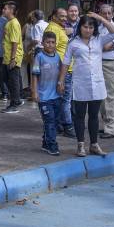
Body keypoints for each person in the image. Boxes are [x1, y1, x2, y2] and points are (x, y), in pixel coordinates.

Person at [58, 12, 114, 157]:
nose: (88, 30)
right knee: (79, 116)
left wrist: (99, 18)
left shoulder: (98, 40)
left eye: (91, 27)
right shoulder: (73, 43)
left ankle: (94, 145)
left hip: (97, 84)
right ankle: (80, 145)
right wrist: (61, 81)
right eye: (85, 27)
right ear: (80, 27)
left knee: (94, 116)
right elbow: (66, 63)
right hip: (80, 84)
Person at [32, 30, 62, 156]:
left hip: (56, 96)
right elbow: (34, 75)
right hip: (44, 97)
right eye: (47, 42)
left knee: (54, 121)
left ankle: (45, 142)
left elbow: (61, 73)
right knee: (49, 121)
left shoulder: (57, 57)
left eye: (52, 42)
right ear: (43, 43)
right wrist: (34, 92)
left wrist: (62, 85)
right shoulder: (39, 57)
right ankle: (52, 145)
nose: (50, 45)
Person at [45, 8, 74, 137]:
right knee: (65, 100)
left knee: (61, 99)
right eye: (61, 16)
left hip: (66, 69)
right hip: (61, 71)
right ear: (54, 16)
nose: (64, 18)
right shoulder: (52, 29)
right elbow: (49, 50)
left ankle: (59, 125)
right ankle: (68, 126)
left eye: (65, 16)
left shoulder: (59, 28)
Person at [98, 4, 114, 139]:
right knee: (101, 96)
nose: (106, 16)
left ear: (113, 14)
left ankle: (110, 128)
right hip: (98, 64)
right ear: (100, 14)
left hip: (111, 64)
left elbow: (107, 47)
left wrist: (94, 47)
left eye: (109, 13)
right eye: (103, 13)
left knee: (111, 96)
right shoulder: (97, 29)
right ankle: (112, 125)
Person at [2, 1, 24, 113]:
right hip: (7, 57)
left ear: (11, 10)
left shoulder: (14, 23)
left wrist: (13, 59)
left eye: (5, 8)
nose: (3, 10)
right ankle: (17, 100)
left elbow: (15, 42)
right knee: (7, 79)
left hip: (13, 57)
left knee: (13, 81)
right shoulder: (9, 22)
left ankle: (14, 104)